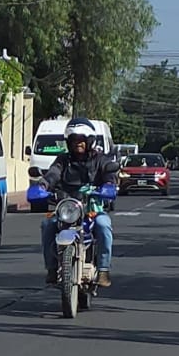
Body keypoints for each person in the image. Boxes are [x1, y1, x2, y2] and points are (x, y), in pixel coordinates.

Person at [37, 118, 118, 287]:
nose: (77, 144)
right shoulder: (63, 160)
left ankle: (103, 269)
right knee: (48, 225)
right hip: (68, 208)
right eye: (74, 140)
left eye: (81, 140)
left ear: (89, 141)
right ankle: (52, 268)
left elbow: (109, 175)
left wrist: (108, 186)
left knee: (103, 225)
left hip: (91, 210)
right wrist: (43, 185)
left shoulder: (100, 160)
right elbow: (53, 173)